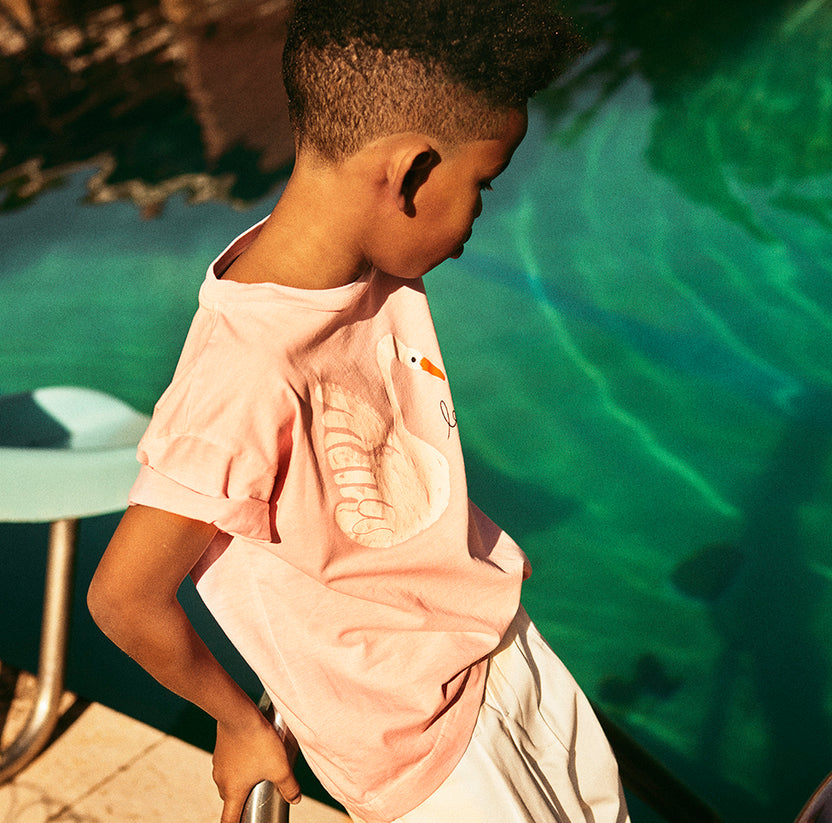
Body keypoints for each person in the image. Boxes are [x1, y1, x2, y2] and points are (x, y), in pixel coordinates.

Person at [88, 0, 630, 821]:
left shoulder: (364, 264)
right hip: (420, 755)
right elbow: (125, 597)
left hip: (499, 651)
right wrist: (237, 722)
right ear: (409, 175)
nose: (480, 216)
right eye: (481, 186)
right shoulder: (245, 371)